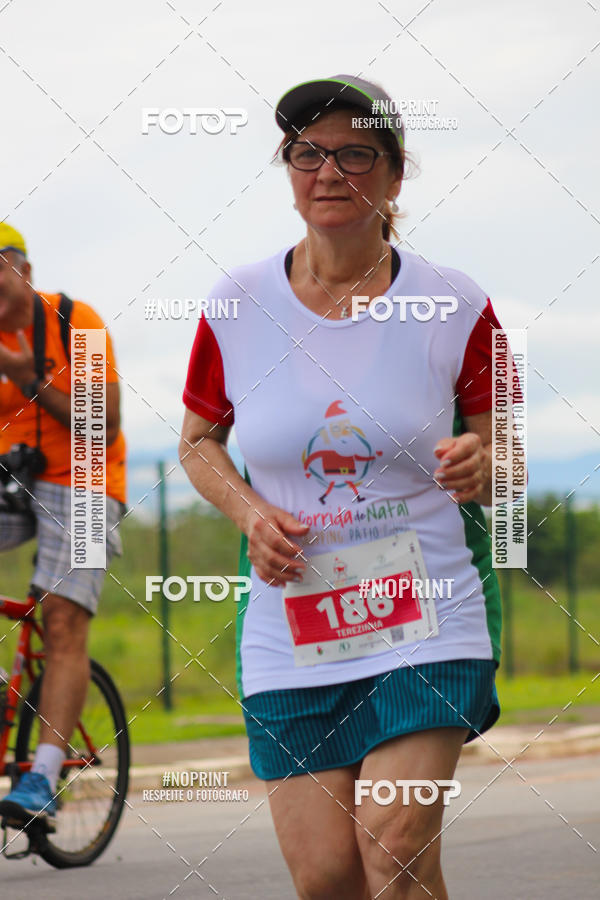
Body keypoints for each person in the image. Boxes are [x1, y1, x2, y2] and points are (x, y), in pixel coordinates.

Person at [180, 75, 506, 899]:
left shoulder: (456, 303)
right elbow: (198, 444)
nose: (329, 171)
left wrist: (486, 459)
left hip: (428, 615)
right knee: (330, 877)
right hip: (296, 627)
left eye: (355, 154)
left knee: (391, 850)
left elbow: (507, 439)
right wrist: (250, 512)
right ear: (289, 171)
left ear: (395, 176)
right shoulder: (234, 304)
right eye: (307, 153)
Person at [0, 224, 126, 826]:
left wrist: (27, 377)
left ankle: (43, 778)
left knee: (62, 616)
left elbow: (102, 423)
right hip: (11, 475)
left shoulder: (78, 320)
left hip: (85, 479)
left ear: (23, 271)